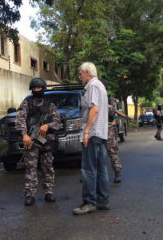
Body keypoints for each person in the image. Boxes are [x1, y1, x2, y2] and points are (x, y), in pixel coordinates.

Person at [15, 77, 61, 206]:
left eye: (38, 87)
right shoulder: (26, 103)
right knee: (30, 168)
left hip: (46, 141)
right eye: (34, 88)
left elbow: (57, 122)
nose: (36, 90)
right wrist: (24, 135)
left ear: (43, 88)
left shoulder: (50, 104)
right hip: (31, 140)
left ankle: (49, 192)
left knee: (47, 168)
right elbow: (20, 120)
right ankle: (30, 194)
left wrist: (47, 126)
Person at [73, 62, 109, 215]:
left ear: (88, 72)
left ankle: (89, 202)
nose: (79, 76)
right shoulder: (99, 85)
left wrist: (86, 131)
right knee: (101, 169)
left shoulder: (93, 86)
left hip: (92, 134)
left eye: (81, 73)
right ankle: (102, 201)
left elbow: (94, 108)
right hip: (100, 134)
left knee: (89, 169)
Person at [106, 97, 123, 183]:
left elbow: (115, 112)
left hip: (107, 131)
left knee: (112, 152)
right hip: (100, 131)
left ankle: (117, 173)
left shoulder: (107, 106)